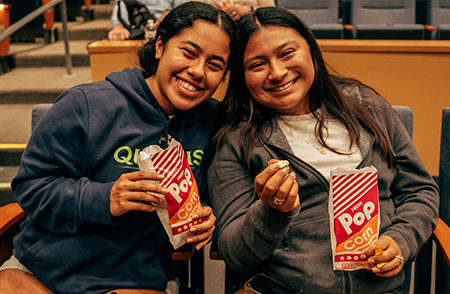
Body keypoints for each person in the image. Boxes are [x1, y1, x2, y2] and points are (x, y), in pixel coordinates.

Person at [0, 2, 235, 294]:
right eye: (188, 53)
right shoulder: (86, 104)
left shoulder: (214, 124)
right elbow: (31, 187)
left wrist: (207, 217)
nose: (198, 71)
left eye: (215, 65)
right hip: (43, 270)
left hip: (135, 279)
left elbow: (214, 200)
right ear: (160, 46)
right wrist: (103, 198)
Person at [207, 6, 439, 294]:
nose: (277, 73)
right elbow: (235, 254)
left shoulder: (368, 107)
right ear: (242, 76)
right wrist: (272, 211)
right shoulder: (236, 140)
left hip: (380, 288)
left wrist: (402, 239)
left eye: (287, 53)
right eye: (257, 65)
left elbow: (421, 191)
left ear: (311, 51)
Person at [108, 0, 190, 41]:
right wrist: (118, 27)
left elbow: (186, 9)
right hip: (137, 34)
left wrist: (172, 15)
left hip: (169, 34)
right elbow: (120, 8)